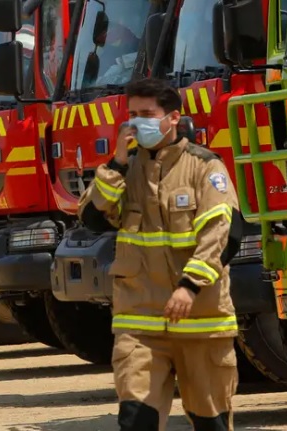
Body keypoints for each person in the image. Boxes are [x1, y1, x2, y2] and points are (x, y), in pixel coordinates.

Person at [78, 78, 242, 430]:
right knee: (136, 421)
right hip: (140, 323)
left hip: (201, 320)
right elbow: (92, 217)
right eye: (132, 115)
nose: (138, 123)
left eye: (147, 114)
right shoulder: (124, 170)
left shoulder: (204, 167)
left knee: (210, 423)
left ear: (173, 118)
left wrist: (189, 286)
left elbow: (223, 236)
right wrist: (117, 164)